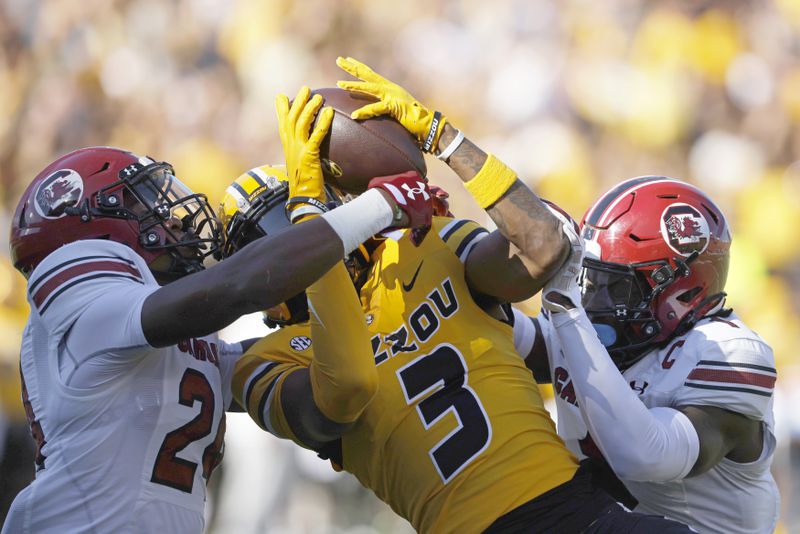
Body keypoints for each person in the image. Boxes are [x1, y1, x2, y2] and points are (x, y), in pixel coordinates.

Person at [227, 58, 695, 533]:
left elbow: (543, 245)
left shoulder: (421, 247)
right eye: (276, 239)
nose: (299, 237)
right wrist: (309, 215)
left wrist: (444, 138)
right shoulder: (265, 362)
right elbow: (346, 386)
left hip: (580, 510)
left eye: (305, 217)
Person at [4, 87, 432, 533]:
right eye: (139, 201)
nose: (171, 217)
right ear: (88, 222)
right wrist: (378, 206)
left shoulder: (177, 339)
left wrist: (369, 304)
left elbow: (319, 398)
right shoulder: (72, 278)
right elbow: (237, 288)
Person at [516, 176, 779, 533]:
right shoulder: (610, 332)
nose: (594, 301)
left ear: (679, 290)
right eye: (588, 281)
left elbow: (645, 456)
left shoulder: (732, 353)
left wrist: (566, 308)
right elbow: (510, 334)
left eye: (615, 287)